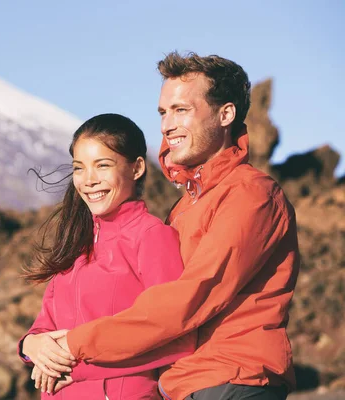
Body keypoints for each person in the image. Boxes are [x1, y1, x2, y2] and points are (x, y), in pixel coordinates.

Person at [56, 52, 300, 400]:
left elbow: (194, 295)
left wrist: (73, 345)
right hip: (181, 384)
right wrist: (39, 343)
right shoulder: (185, 206)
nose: (166, 125)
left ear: (225, 114)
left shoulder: (251, 195)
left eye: (181, 110)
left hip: (233, 380)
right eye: (163, 112)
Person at [18, 113, 196, 399]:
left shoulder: (151, 236)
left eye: (102, 166)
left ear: (137, 168)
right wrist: (31, 346)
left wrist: (73, 370)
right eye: (79, 168)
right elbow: (45, 324)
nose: (88, 180)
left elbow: (175, 338)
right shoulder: (76, 244)